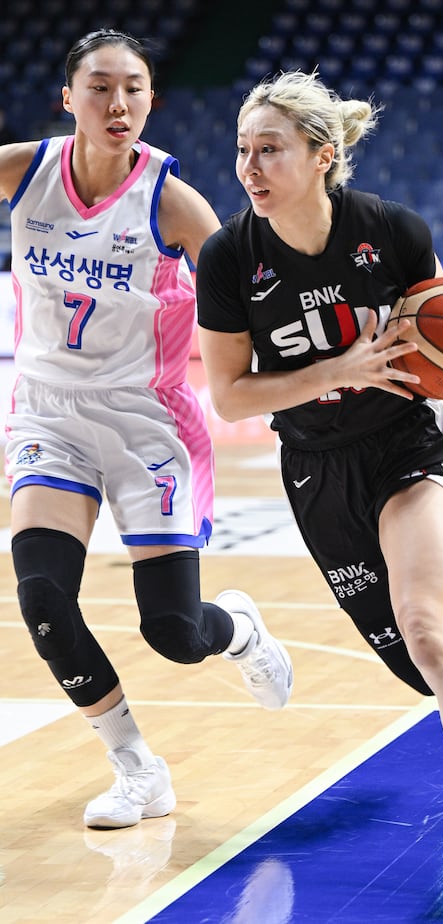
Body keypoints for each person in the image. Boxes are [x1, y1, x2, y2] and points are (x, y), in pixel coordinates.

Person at [196, 71, 443, 903]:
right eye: (243, 150)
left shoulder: (390, 231)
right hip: (316, 467)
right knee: (417, 663)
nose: (250, 167)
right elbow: (231, 395)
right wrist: (339, 369)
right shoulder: (229, 257)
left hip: (406, 444)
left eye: (270, 149)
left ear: (322, 156)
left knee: (431, 634)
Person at [0, 30, 293, 831]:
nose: (117, 102)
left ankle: (237, 633)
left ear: (152, 100)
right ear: (68, 98)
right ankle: (137, 768)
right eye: (99, 87)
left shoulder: (173, 202)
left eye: (133, 87)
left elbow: (252, 294)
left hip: (146, 421)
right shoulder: (25, 170)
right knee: (43, 598)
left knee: (174, 631)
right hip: (47, 413)